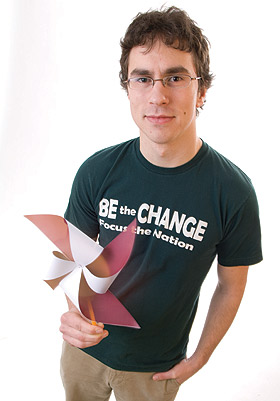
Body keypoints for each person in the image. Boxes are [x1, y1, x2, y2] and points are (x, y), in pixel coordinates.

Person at [59, 6, 262, 401]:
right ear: (128, 88)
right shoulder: (97, 171)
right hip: (83, 354)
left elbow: (231, 285)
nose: (158, 95)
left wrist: (200, 357)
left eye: (175, 77)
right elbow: (72, 257)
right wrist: (71, 315)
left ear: (201, 90)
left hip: (156, 371)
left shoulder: (233, 192)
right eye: (143, 78)